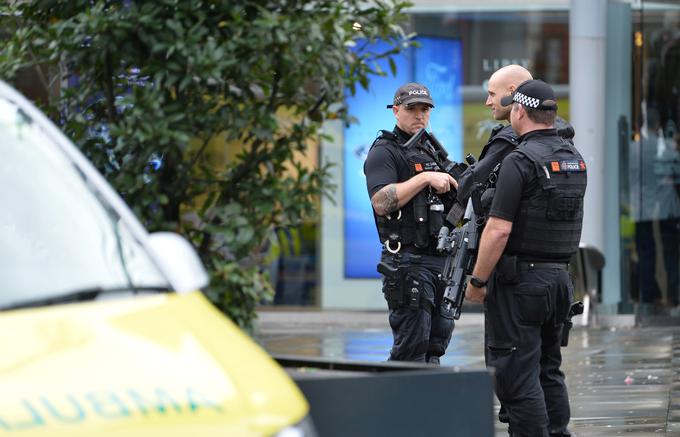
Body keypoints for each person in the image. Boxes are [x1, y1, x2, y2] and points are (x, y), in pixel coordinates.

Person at [465, 79, 587, 437]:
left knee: (517, 378)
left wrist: (477, 281)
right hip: (560, 281)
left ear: (518, 110)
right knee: (549, 369)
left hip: (521, 285)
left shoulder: (520, 160)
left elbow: (499, 230)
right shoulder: (573, 158)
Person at [363, 82, 457, 363]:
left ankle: (425, 407)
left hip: (439, 260)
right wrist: (425, 179)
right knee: (410, 351)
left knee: (435, 347)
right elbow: (381, 201)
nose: (419, 115)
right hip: (407, 262)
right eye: (411, 108)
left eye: (425, 109)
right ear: (395, 111)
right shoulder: (385, 151)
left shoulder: (431, 152)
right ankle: (396, 405)